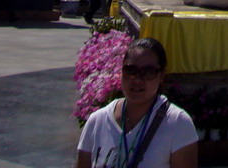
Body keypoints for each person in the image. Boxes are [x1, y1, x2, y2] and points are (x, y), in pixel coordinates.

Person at [75, 36, 197, 168]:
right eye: (131, 71)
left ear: (161, 76)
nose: (137, 80)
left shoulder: (178, 124)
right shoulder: (97, 121)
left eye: (148, 72)